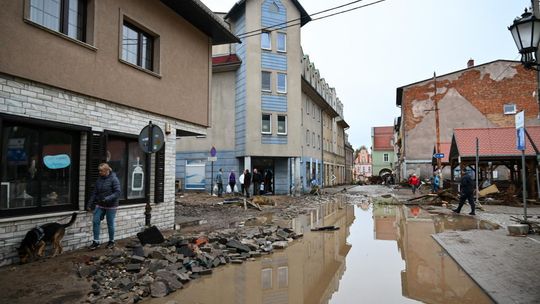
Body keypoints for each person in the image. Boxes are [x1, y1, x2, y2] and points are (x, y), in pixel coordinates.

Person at [86, 163, 121, 250]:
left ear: (106, 171)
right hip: (100, 204)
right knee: (95, 221)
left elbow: (117, 192)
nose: (99, 172)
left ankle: (111, 241)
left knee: (110, 223)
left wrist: (107, 198)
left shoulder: (114, 179)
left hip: (111, 205)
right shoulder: (99, 180)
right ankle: (96, 242)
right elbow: (94, 193)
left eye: (101, 171)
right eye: (99, 170)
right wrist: (89, 204)